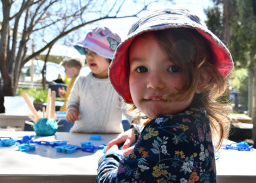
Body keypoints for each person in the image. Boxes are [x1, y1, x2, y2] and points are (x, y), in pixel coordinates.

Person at [97, 8, 234, 182]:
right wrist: (137, 132)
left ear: (201, 78)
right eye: (141, 69)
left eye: (173, 68)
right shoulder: (195, 120)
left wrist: (110, 158)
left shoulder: (165, 134)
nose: (153, 82)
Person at [66, 26, 123, 133]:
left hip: (111, 137)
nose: (90, 57)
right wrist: (72, 109)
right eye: (87, 52)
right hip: (80, 135)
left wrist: (136, 125)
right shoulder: (81, 81)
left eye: (95, 52)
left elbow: (129, 109)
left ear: (110, 59)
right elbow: (72, 101)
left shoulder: (118, 85)